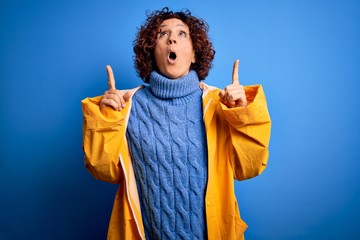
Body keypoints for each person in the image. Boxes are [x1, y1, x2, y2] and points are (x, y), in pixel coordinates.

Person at [82, 7, 271, 240]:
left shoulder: (219, 105)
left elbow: (249, 168)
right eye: (163, 34)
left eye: (182, 34)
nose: (172, 38)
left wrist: (242, 113)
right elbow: (104, 171)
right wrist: (107, 118)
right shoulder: (126, 106)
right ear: (151, 52)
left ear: (194, 54)